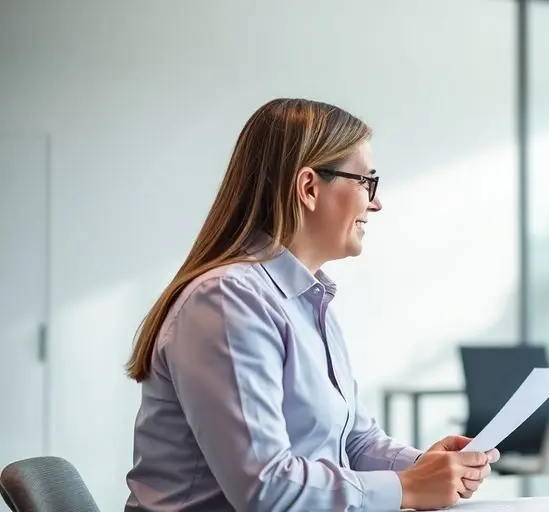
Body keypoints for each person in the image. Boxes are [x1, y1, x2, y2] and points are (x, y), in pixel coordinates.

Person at [123, 98, 498, 511]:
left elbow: (352, 440)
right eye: (366, 182)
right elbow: (265, 487)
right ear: (308, 187)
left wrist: (424, 467)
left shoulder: (308, 299)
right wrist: (408, 487)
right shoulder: (228, 301)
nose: (376, 203)